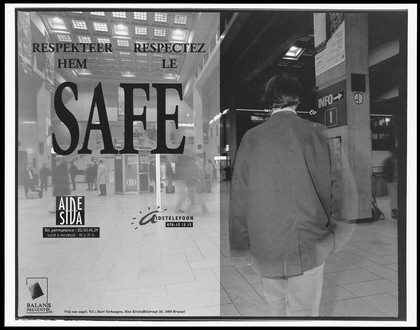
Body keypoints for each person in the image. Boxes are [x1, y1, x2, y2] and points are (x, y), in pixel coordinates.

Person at [229, 73, 356, 317]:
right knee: (305, 312)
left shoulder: (251, 138)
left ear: (270, 101)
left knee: (275, 307)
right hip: (310, 242)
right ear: (297, 100)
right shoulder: (321, 133)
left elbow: (239, 198)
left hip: (266, 243)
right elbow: (343, 187)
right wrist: (337, 234)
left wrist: (241, 245)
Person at [383, 148, 398, 219]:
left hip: (398, 181)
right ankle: (394, 211)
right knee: (393, 197)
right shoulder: (388, 161)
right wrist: (387, 179)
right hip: (391, 181)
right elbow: (385, 171)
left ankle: (397, 211)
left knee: (397, 197)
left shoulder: (399, 160)